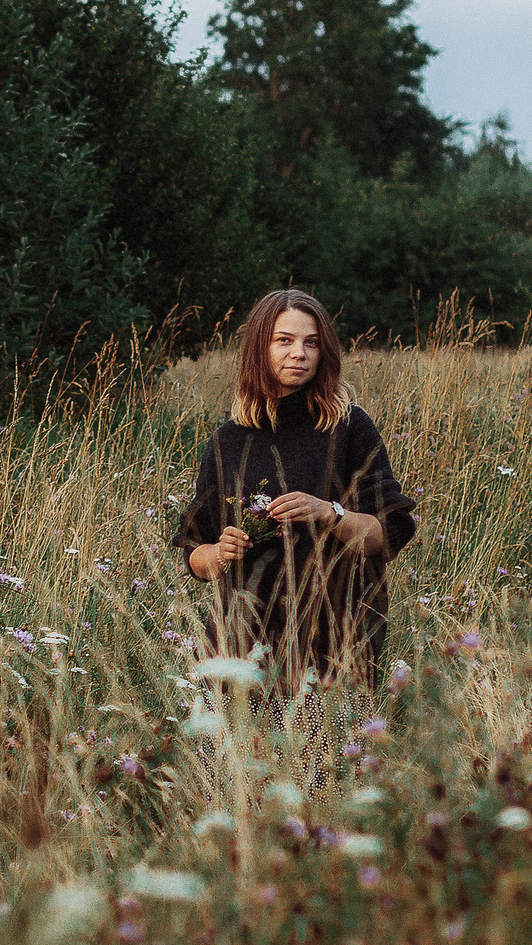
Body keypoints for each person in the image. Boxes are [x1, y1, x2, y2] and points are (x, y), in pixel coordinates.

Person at [173, 289, 418, 690]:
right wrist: (220, 553)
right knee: (234, 753)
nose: (299, 353)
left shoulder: (350, 428)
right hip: (242, 647)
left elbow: (389, 533)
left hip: (334, 646)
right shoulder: (229, 441)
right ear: (259, 348)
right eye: (284, 340)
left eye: (312, 343)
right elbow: (194, 552)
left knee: (321, 754)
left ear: (325, 353)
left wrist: (329, 513)